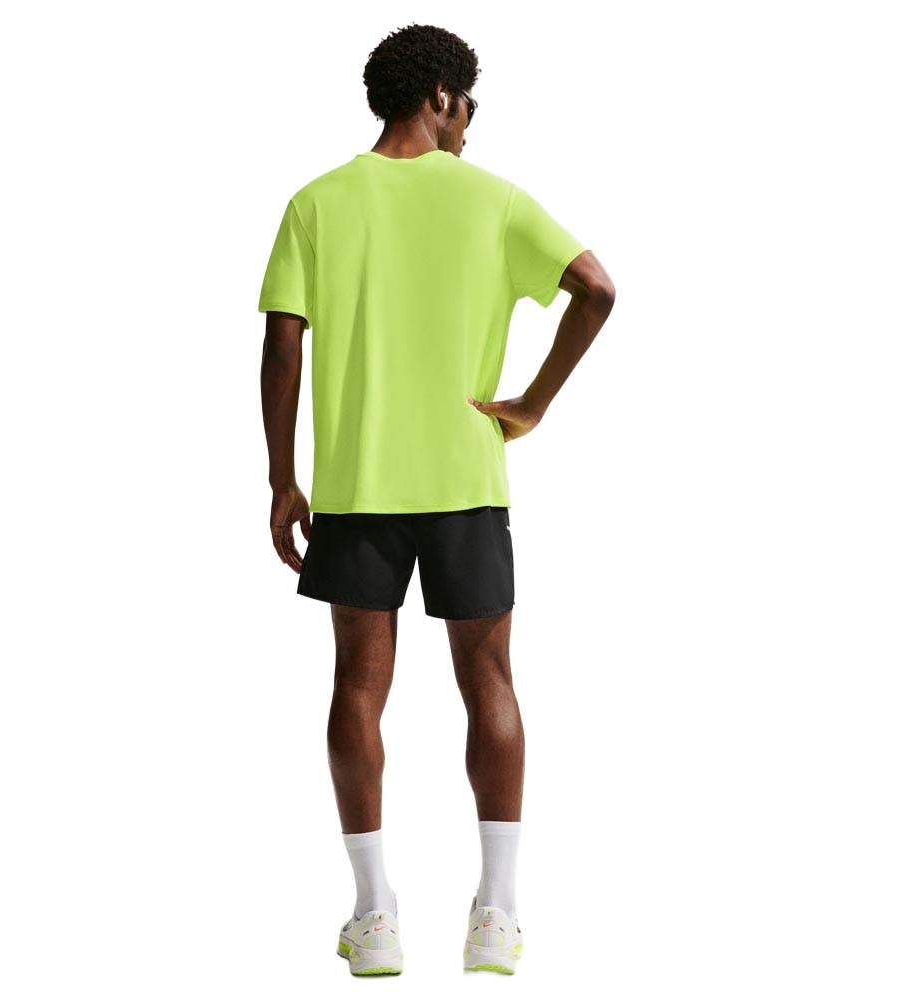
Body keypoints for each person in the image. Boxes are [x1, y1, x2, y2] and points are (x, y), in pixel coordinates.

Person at [258, 23, 615, 976]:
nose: (470, 128)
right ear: (440, 99)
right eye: (468, 108)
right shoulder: (494, 200)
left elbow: (283, 345)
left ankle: (374, 916)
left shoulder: (315, 203)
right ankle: (496, 913)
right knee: (489, 679)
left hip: (358, 488)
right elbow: (595, 288)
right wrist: (531, 406)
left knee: (356, 687)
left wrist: (282, 478)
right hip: (466, 483)